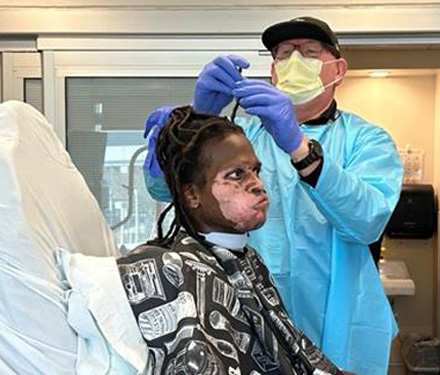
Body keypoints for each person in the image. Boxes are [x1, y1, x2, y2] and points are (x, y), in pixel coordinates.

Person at [144, 17, 403, 375]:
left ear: (338, 69)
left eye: (309, 52)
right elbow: (164, 189)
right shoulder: (240, 136)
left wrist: (299, 147)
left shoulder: (368, 141)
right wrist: (197, 121)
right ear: (273, 71)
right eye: (284, 54)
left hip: (340, 327)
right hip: (251, 320)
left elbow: (367, 222)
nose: (294, 61)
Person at [126, 105, 344, 375]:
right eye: (236, 175)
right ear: (192, 194)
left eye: (255, 171)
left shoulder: (247, 258)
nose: (257, 184)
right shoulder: (169, 268)